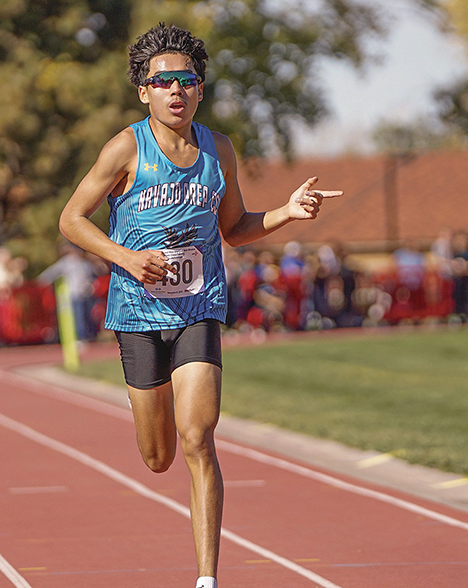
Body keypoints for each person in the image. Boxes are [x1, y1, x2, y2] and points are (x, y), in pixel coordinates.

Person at [58, 23, 341, 588]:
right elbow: (71, 219)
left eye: (186, 81)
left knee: (198, 438)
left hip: (199, 307)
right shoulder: (125, 148)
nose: (176, 90)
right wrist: (125, 257)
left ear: (200, 89)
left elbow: (234, 228)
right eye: (163, 82)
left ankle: (207, 580)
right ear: (144, 91)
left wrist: (286, 212)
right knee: (158, 456)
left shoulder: (220, 150)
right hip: (137, 312)